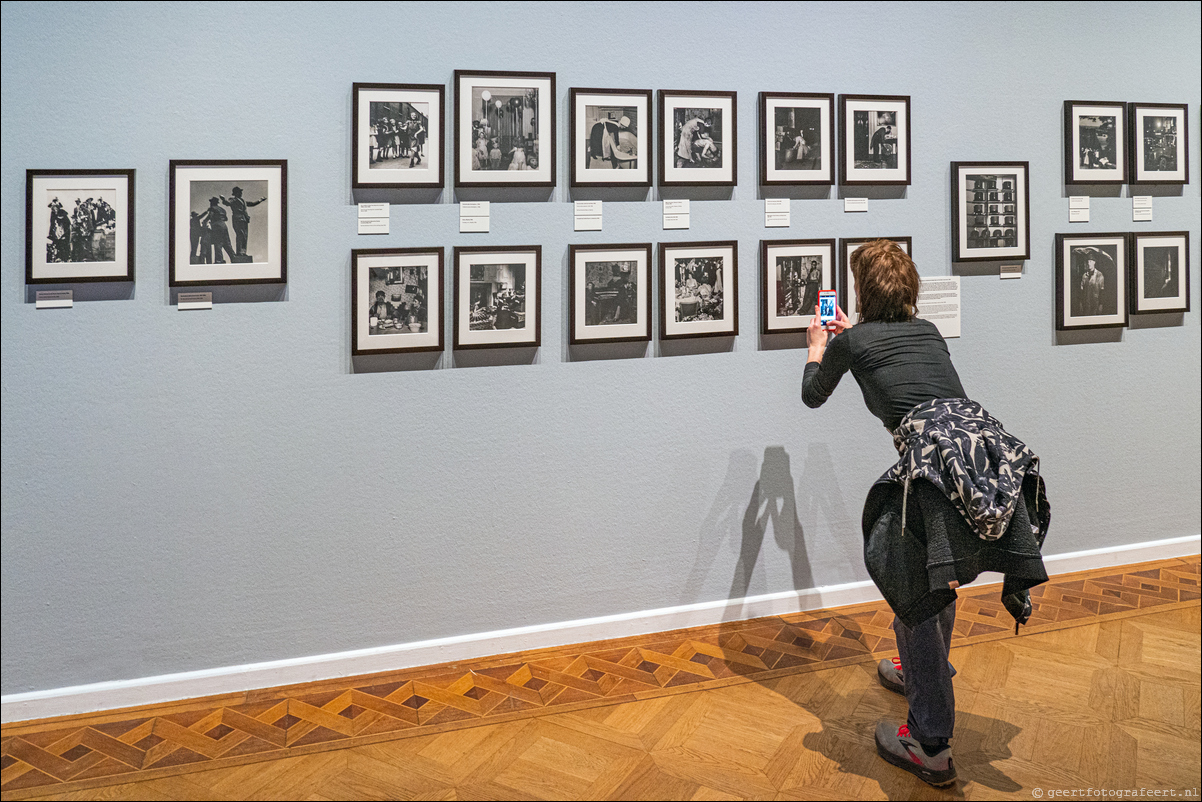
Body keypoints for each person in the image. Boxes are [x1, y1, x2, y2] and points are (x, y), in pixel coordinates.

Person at [801, 240, 1049, 788]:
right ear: (909, 288)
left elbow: (812, 396)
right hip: (984, 455)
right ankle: (922, 675)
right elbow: (894, 358)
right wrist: (852, 337)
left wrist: (819, 346)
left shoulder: (854, 342)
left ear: (863, 291)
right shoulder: (928, 331)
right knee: (933, 576)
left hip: (935, 471)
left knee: (915, 588)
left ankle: (930, 744)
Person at [221, 186, 266, 259]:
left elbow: (252, 204)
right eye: (240, 192)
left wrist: (260, 200)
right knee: (240, 235)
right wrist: (223, 199)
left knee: (244, 236)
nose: (241, 193)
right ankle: (239, 252)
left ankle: (243, 252)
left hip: (244, 220)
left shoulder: (243, 201)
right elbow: (227, 203)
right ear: (236, 193)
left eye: (241, 192)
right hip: (237, 219)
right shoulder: (233, 199)